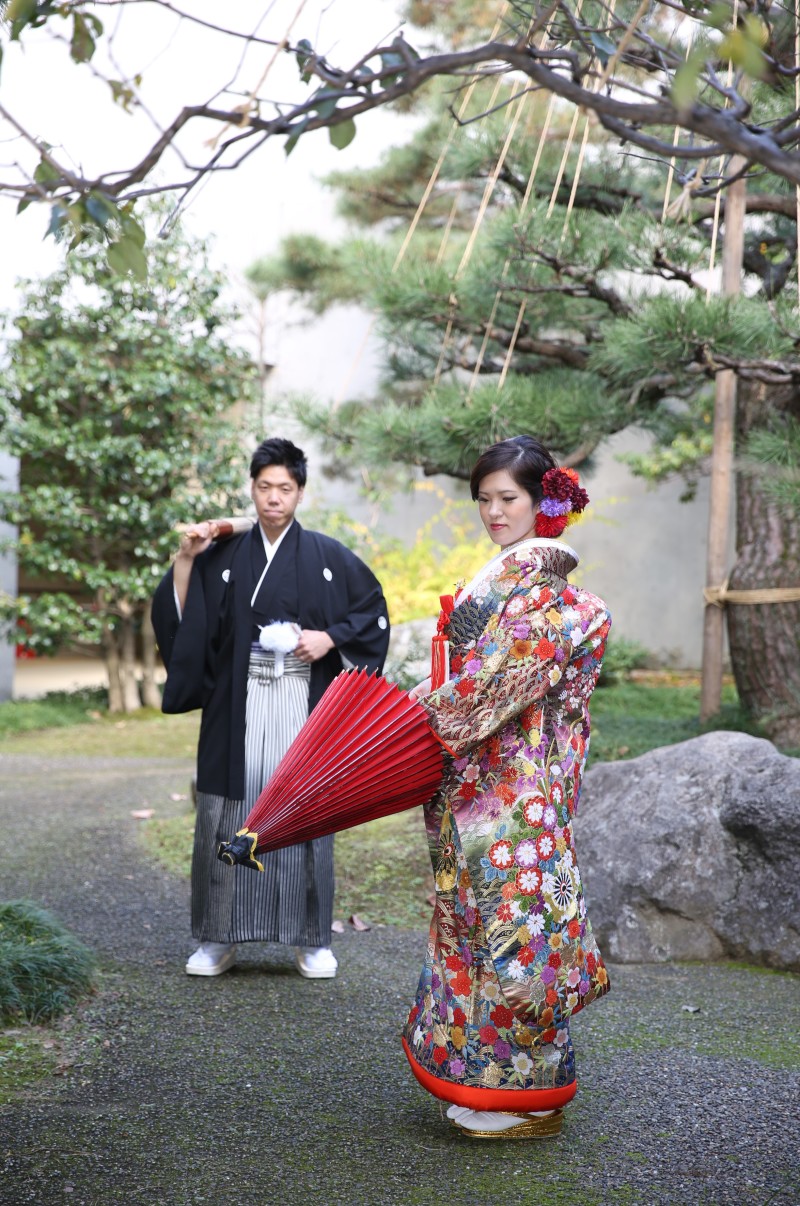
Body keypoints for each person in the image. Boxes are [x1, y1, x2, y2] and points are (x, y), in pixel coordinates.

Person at [403, 435, 611, 1139]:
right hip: (475, 789)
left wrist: (402, 722)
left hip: (520, 797)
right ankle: (484, 1079)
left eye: (509, 498)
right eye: (485, 499)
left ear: (542, 502)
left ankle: (534, 1094)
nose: (494, 511)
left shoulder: (556, 604)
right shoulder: (501, 590)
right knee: (469, 934)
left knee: (518, 940)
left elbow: (483, 695)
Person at [151, 437, 390, 980]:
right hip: (237, 703)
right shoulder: (224, 554)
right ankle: (217, 937)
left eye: (285, 487)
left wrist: (329, 638)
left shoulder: (328, 556)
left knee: (303, 810)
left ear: (300, 492)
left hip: (305, 705)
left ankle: (311, 940)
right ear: (252, 490)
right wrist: (187, 558)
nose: (274, 498)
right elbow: (183, 618)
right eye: (264, 487)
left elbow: (371, 613)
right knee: (223, 814)